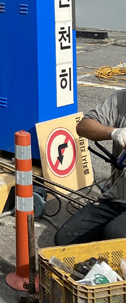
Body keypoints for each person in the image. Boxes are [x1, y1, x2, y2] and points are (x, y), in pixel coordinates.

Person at [55, 89, 126, 245]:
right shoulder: (121, 99)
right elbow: (83, 126)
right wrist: (114, 133)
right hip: (116, 198)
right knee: (65, 239)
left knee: (114, 234)